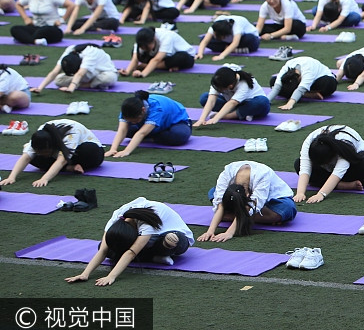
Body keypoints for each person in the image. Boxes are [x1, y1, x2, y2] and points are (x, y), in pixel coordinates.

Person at [64, 197, 194, 286]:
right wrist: (84, 274)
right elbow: (104, 249)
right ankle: (154, 258)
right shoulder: (117, 218)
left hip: (170, 238)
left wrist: (112, 276)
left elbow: (131, 253)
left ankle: (159, 253)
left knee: (172, 240)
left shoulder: (146, 223)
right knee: (107, 247)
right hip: (145, 242)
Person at [199, 161, 297, 242]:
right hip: (243, 202)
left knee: (288, 208)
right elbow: (220, 204)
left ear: (247, 195)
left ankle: (234, 216)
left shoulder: (262, 175)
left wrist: (229, 232)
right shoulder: (227, 173)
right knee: (213, 192)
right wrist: (210, 231)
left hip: (271, 201)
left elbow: (250, 206)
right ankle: (245, 217)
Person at [0, 120, 103, 187]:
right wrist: (11, 177)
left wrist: (44, 179)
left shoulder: (71, 133)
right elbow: (26, 157)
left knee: (89, 150)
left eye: (45, 152)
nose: (44, 155)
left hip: (84, 153)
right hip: (60, 157)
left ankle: (66, 166)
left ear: (52, 145)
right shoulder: (40, 134)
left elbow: (61, 160)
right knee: (32, 156)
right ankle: (69, 168)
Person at [293, 125, 364, 203]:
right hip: (328, 173)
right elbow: (305, 167)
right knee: (298, 164)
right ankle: (341, 185)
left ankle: (331, 184)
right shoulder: (310, 140)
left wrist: (321, 194)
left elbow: (338, 172)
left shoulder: (345, 141)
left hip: (353, 167)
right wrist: (300, 193)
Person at [11, 0, 75, 45]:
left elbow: (71, 5)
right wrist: (26, 18)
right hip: (36, 26)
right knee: (15, 29)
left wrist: (62, 20)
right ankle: (35, 41)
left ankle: (26, 39)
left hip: (52, 28)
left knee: (42, 31)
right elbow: (18, 4)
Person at [196, 66, 270, 125]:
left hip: (251, 105)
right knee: (204, 97)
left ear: (230, 86)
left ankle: (228, 116)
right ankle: (239, 114)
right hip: (233, 106)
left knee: (262, 101)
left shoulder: (244, 83)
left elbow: (232, 103)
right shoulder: (218, 81)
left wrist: (217, 118)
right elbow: (211, 100)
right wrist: (202, 119)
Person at [32, 43, 117, 94]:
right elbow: (54, 72)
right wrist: (40, 88)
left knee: (108, 79)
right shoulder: (69, 50)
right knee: (58, 80)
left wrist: (71, 87)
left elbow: (80, 73)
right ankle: (93, 85)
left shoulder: (91, 52)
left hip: (102, 73)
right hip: (83, 75)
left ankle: (85, 85)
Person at [122, 27, 196, 78]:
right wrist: (127, 71)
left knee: (182, 57)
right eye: (142, 47)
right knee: (135, 52)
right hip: (162, 58)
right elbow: (135, 58)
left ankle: (147, 66)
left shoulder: (166, 36)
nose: (144, 49)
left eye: (146, 46)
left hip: (184, 56)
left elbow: (156, 60)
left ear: (154, 38)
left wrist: (143, 74)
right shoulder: (141, 40)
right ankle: (162, 66)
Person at [268, 56, 337, 110]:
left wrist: (290, 103)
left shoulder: (308, 70)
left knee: (328, 83)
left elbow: (301, 89)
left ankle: (298, 94)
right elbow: (277, 86)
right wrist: (266, 101)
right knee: (273, 81)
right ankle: (307, 94)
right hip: (303, 86)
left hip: (319, 79)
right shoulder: (287, 66)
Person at [196, 15, 261, 61]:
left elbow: (235, 43)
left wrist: (221, 56)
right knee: (202, 38)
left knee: (250, 38)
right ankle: (234, 50)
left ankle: (229, 49)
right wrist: (200, 53)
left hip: (247, 40)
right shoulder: (216, 24)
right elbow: (205, 41)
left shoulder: (237, 24)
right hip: (229, 43)